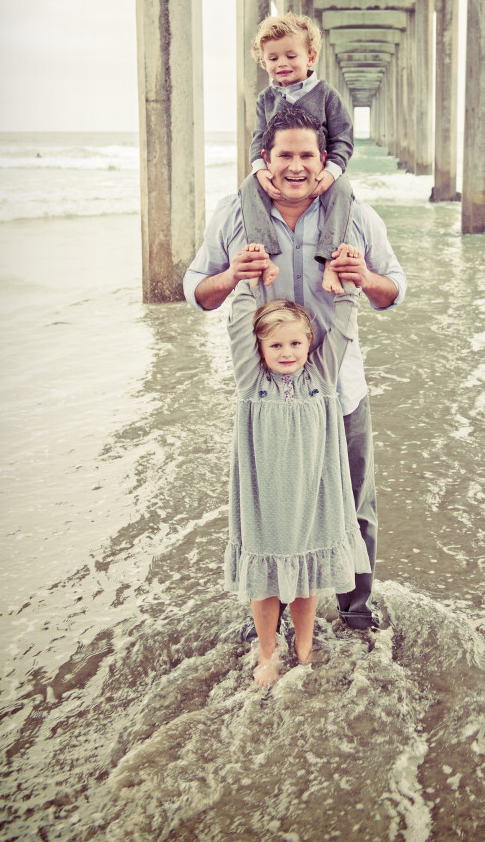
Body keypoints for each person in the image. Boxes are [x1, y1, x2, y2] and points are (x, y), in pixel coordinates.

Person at [184, 104, 406, 632]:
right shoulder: (234, 214)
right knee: (272, 503)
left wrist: (365, 276)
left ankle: (355, 611)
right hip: (268, 391)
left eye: (308, 154)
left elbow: (393, 291)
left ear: (324, 158)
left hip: (341, 382)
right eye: (285, 154)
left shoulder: (356, 215)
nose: (296, 165)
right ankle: (273, 612)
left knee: (355, 501)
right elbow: (196, 290)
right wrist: (233, 274)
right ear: (266, 158)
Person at [226, 244, 370, 686]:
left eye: (295, 343)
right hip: (265, 499)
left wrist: (342, 286)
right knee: (267, 580)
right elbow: (238, 326)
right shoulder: (254, 382)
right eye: (275, 344)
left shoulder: (322, 377)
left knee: (306, 577)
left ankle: (303, 650)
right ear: (260, 348)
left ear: (309, 343)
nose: (286, 352)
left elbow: (343, 327)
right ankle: (267, 653)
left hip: (312, 496)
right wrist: (251, 283)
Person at [239, 11, 354, 294]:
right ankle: (263, 255)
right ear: (263, 61)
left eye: (291, 55)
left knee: (343, 190)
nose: (282, 64)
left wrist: (332, 172)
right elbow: (258, 138)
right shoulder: (266, 98)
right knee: (247, 187)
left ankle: (329, 260)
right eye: (273, 58)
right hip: (280, 172)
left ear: (310, 58)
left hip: (320, 171)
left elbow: (343, 138)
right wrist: (259, 169)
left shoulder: (326, 95)